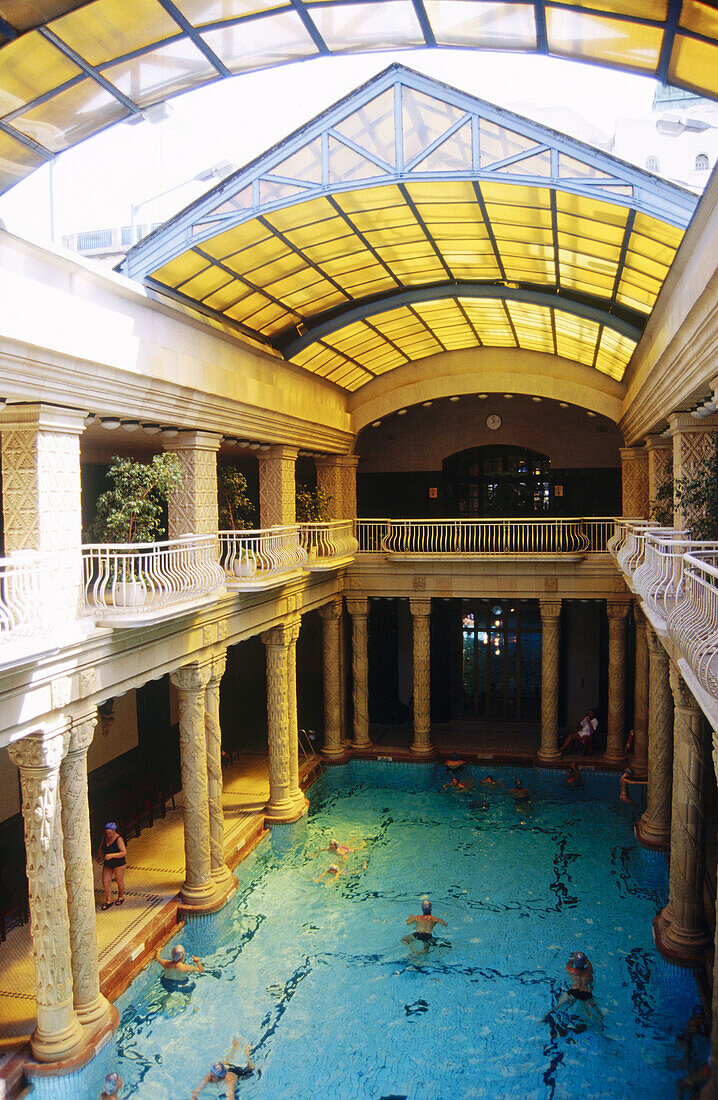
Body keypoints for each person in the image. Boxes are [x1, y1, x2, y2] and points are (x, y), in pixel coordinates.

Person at [192, 1040, 258, 1099]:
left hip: (236, 1073)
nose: (211, 1077)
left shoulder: (230, 1080)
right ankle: (234, 1048)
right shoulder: (209, 1077)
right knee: (225, 1062)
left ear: (222, 1077)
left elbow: (230, 1096)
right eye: (211, 1073)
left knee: (251, 1070)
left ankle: (248, 1053)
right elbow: (195, 1093)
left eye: (213, 1076)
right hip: (226, 1068)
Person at [554, 951, 602, 1022]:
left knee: (557, 1007)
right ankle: (600, 1024)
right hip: (586, 993)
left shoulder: (571, 970)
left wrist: (573, 956)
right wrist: (585, 958)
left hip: (574, 992)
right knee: (598, 1013)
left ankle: (543, 1018)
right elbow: (588, 963)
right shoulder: (589, 970)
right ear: (584, 962)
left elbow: (569, 964)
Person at [96, 822, 126, 909]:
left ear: (114, 831)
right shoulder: (105, 836)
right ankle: (108, 900)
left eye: (110, 833)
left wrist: (111, 855)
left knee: (119, 881)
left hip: (119, 863)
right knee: (105, 881)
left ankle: (121, 896)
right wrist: (99, 856)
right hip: (108, 863)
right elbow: (102, 846)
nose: (108, 835)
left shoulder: (119, 839)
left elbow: (124, 852)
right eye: (107, 833)